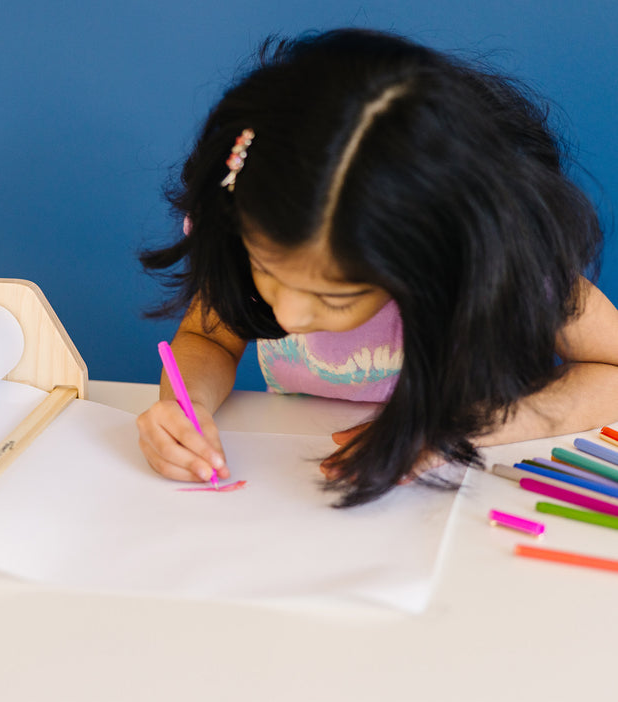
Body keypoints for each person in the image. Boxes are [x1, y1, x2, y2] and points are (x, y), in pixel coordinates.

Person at [136, 28, 618, 507]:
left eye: (334, 297)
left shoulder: (499, 267)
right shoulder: (256, 224)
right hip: (288, 483)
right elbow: (209, 337)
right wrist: (187, 406)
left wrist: (455, 429)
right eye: (268, 269)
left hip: (466, 508)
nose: (289, 316)